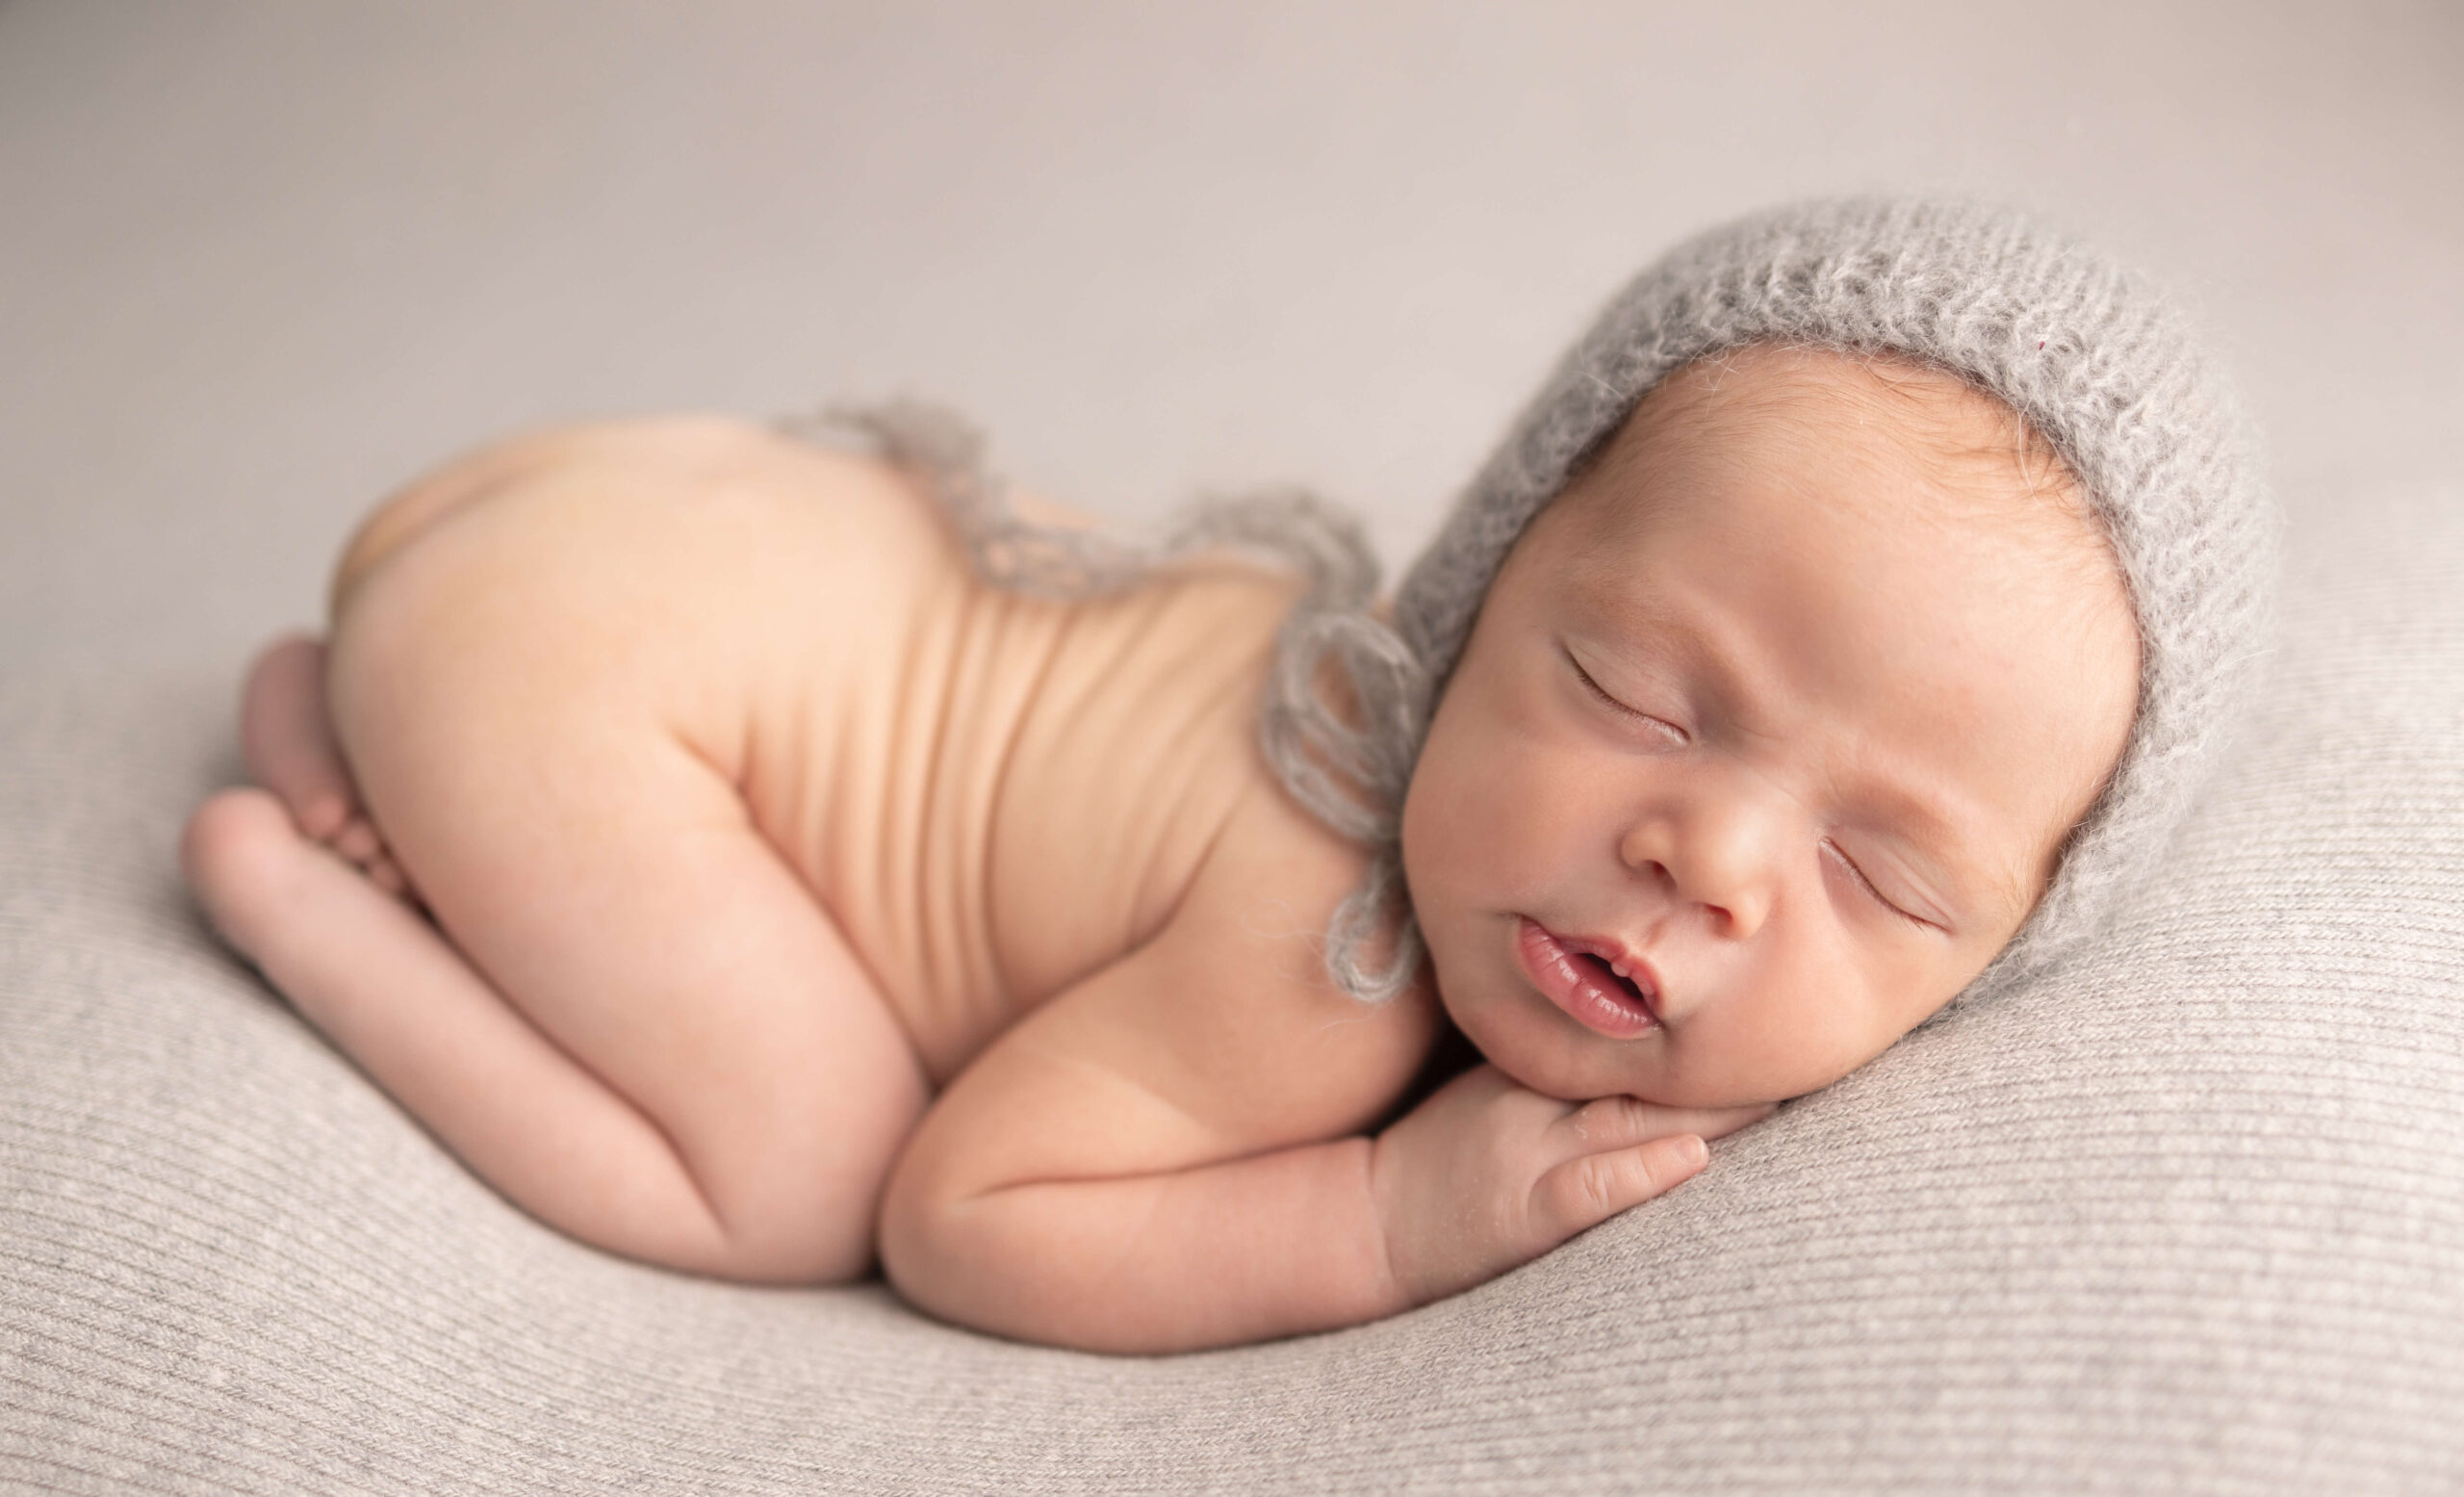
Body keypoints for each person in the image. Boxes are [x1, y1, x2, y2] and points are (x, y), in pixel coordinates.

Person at [178, 197, 2273, 1355]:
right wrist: (1377, 1214)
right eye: (1635, 689)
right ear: (1474, 578)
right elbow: (963, 1213)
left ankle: (355, 710)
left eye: (1889, 880)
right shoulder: (1324, 955)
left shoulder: (1498, 793)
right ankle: (313, 891)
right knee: (799, 1174)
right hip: (578, 663)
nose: (1704, 852)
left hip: (592, 517)